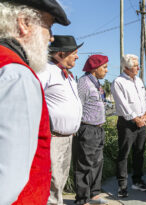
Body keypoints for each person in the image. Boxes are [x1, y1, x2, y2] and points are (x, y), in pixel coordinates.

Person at [0, 0, 70, 204]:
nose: (51, 37)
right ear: (24, 23)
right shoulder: (17, 74)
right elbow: (7, 179)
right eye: (48, 26)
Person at [38, 35, 83, 205]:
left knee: (60, 179)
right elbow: (35, 97)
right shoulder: (46, 70)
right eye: (75, 53)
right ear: (61, 53)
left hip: (67, 137)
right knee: (52, 179)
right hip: (53, 137)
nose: (77, 56)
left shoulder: (67, 75)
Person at [111, 54, 146, 198]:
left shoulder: (138, 80)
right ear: (126, 67)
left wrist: (145, 114)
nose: (138, 68)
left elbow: (144, 98)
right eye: (135, 66)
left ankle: (137, 181)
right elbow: (123, 104)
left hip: (141, 121)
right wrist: (135, 119)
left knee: (139, 152)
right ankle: (122, 186)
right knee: (124, 154)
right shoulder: (118, 82)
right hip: (127, 123)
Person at [73, 55, 109, 205]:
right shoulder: (84, 83)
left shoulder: (96, 83)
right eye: (104, 67)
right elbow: (76, 106)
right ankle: (82, 199)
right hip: (87, 129)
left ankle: (93, 195)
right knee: (84, 165)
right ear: (95, 68)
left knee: (97, 163)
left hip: (98, 129)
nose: (107, 70)